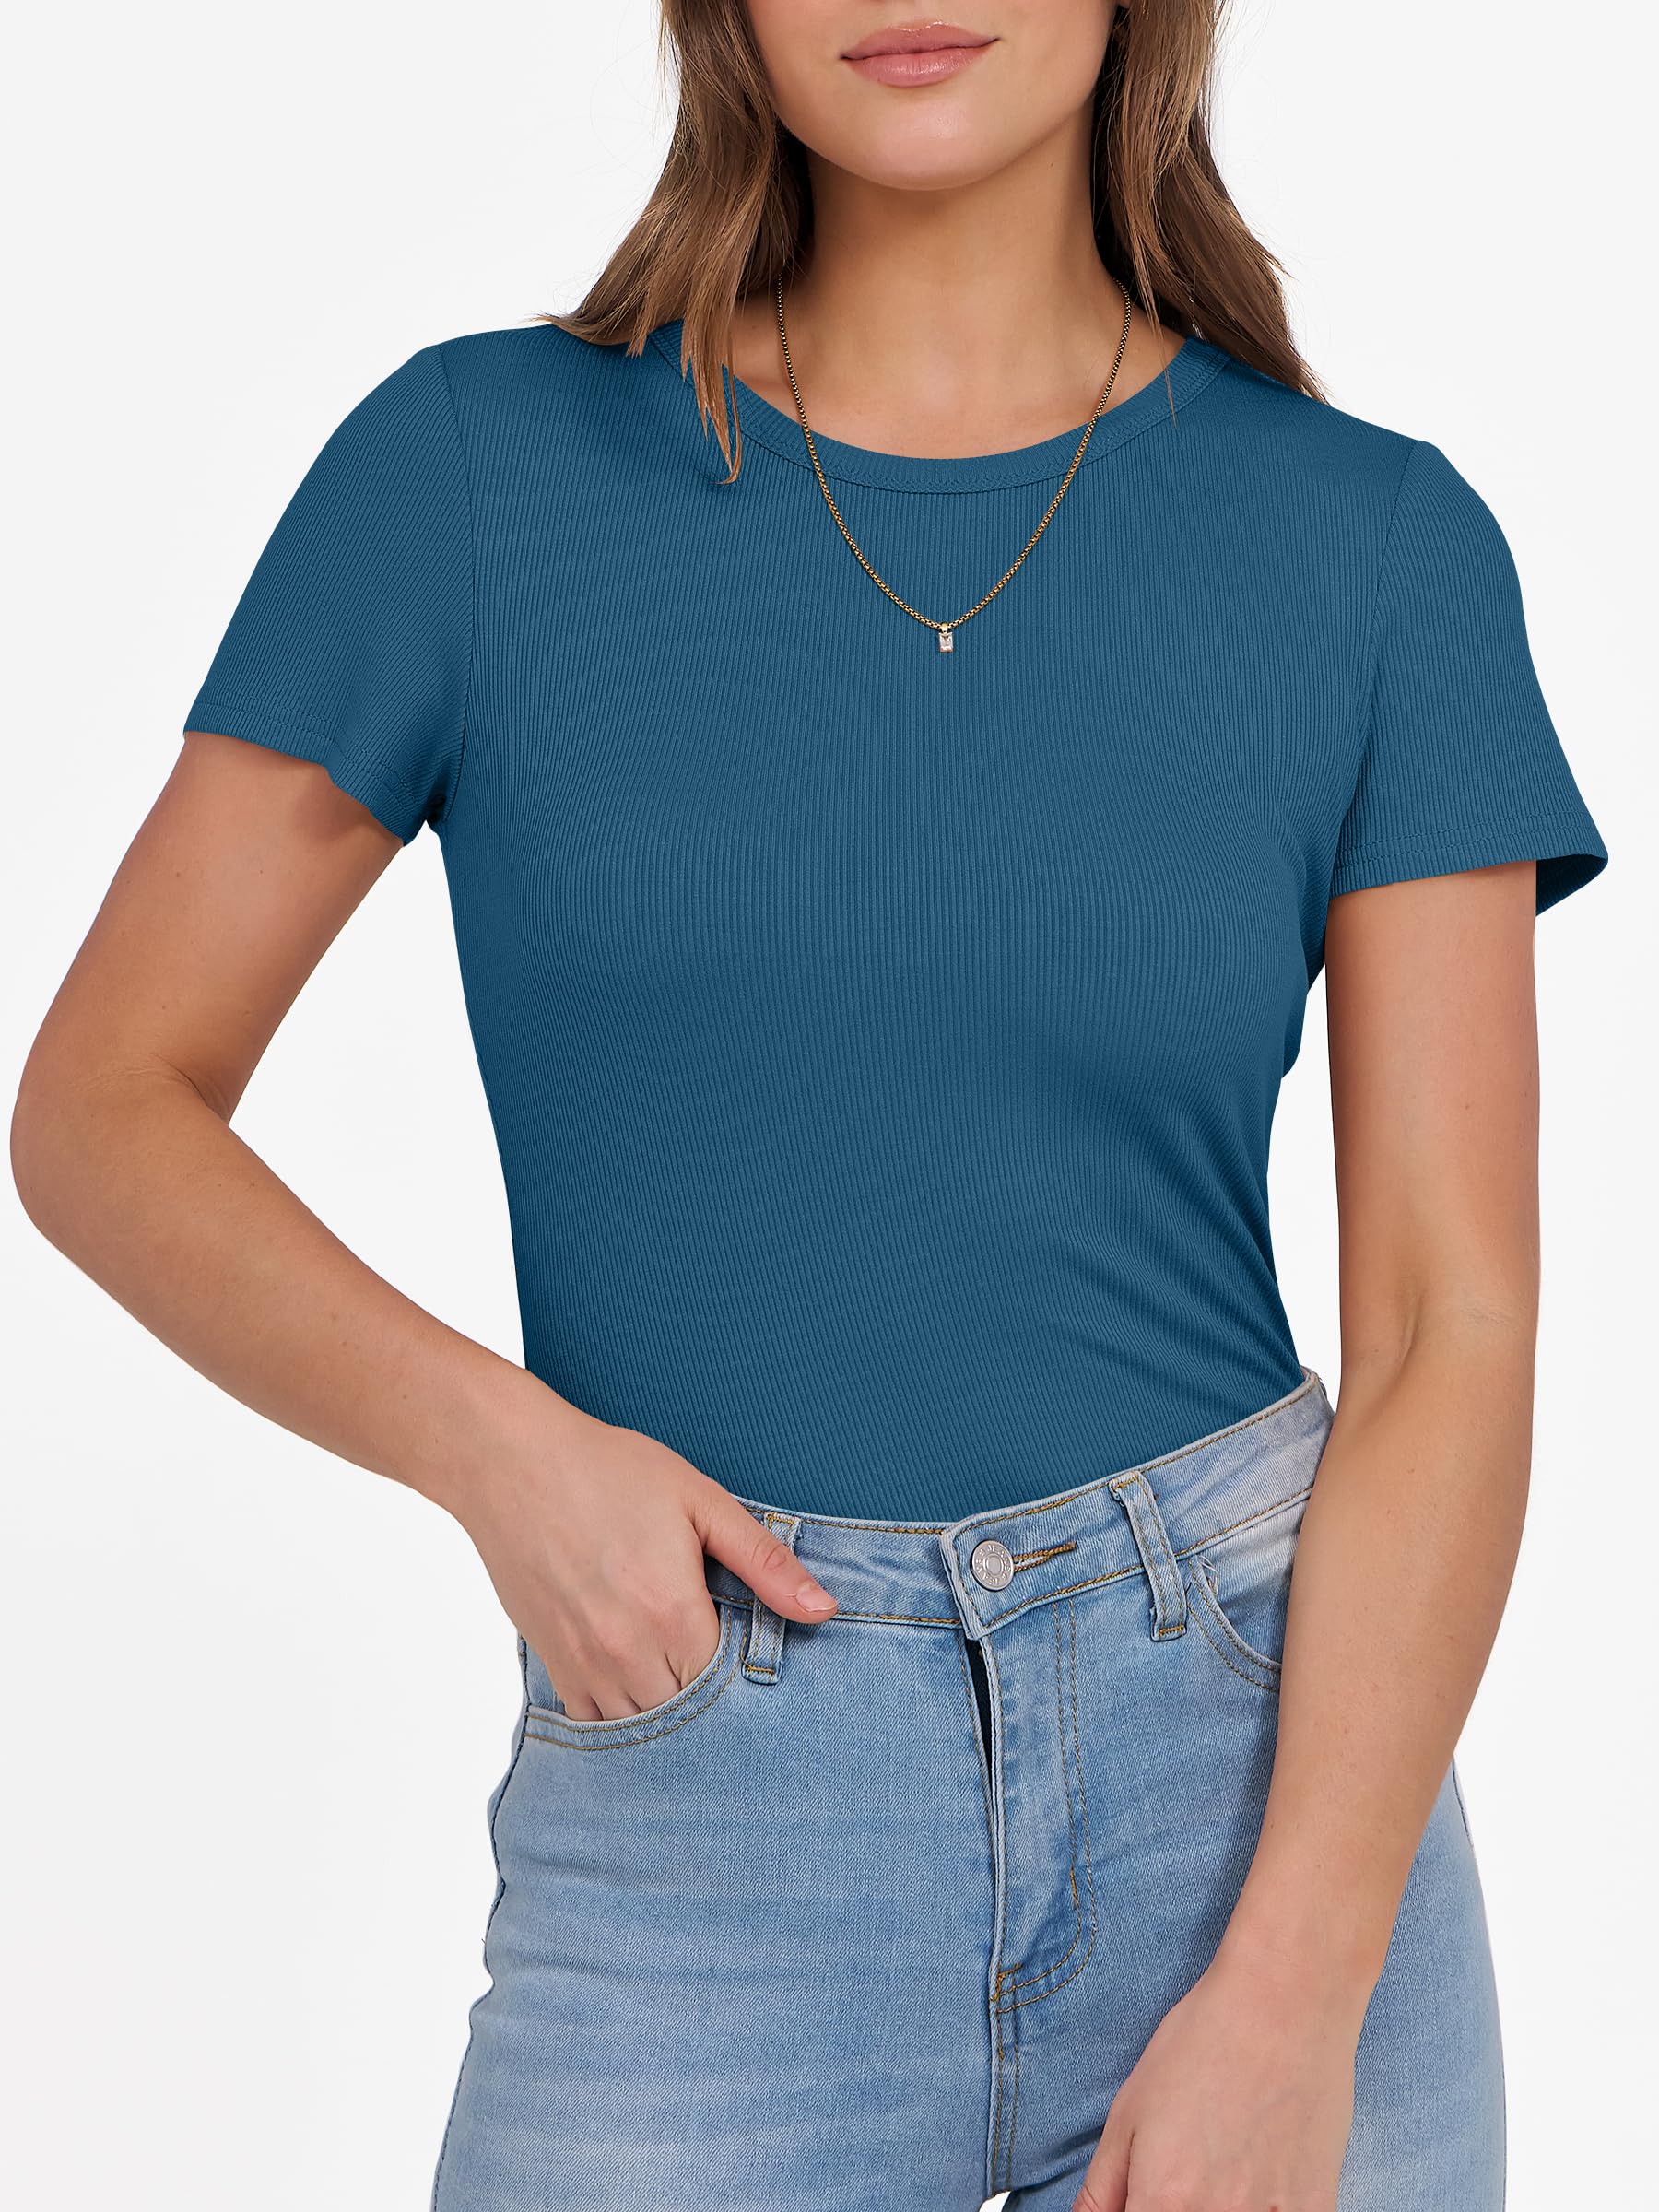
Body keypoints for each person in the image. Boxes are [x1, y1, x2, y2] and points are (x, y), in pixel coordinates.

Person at [10, 6, 1610, 2209]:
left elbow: (1450, 1328)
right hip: (707, 1800)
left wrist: (1297, 1984)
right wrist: (504, 1455)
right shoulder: (475, 471)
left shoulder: (1375, 547)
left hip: (1257, 1779)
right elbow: (104, 1104)